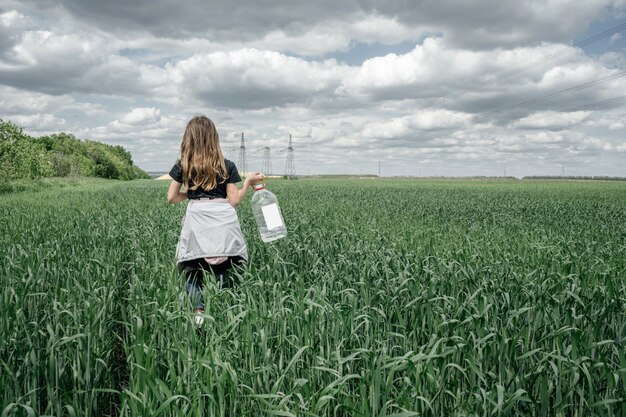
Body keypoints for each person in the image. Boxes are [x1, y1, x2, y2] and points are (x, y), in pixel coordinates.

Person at [167, 115, 263, 325]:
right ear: (214, 139)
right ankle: (228, 316)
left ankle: (198, 314)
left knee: (193, 271)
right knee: (225, 272)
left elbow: (172, 197)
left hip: (197, 226)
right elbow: (234, 200)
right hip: (223, 227)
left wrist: (192, 195)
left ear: (188, 139)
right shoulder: (227, 165)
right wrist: (247, 182)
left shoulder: (183, 166)